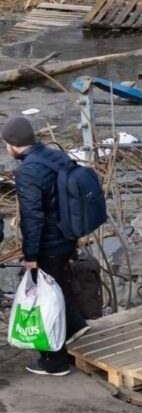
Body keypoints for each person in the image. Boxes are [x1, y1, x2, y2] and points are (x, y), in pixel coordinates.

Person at [5, 117, 87, 376]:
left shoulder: (27, 171)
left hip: (48, 242)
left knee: (46, 300)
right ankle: (75, 328)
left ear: (14, 145)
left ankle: (55, 361)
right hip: (67, 235)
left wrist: (31, 256)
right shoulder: (56, 157)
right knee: (57, 285)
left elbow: (32, 216)